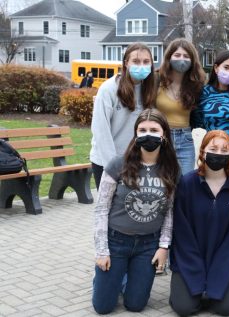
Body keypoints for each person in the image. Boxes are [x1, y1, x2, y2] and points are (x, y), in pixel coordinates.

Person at [92, 109, 180, 314]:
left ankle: (123, 277)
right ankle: (108, 277)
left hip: (148, 245)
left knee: (135, 305)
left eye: (153, 129)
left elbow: (169, 212)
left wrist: (163, 247)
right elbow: (101, 209)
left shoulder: (172, 169)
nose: (147, 134)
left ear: (164, 134)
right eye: (142, 130)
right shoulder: (117, 164)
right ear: (135, 134)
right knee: (102, 307)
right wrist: (102, 251)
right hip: (116, 242)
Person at [169, 130, 229, 316]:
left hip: (223, 260)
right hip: (189, 259)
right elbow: (182, 233)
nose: (218, 153)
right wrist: (197, 272)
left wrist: (218, 272)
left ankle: (209, 290)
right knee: (184, 308)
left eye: (224, 150)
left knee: (225, 308)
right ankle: (198, 291)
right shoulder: (187, 184)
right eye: (213, 148)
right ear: (203, 151)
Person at [90, 43, 156, 189]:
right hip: (108, 161)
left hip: (137, 160)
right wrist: (113, 166)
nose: (141, 66)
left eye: (146, 62)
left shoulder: (150, 89)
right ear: (126, 63)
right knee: (109, 208)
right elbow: (100, 130)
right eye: (136, 61)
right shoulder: (109, 89)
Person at [193, 50, 229, 178]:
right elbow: (197, 119)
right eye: (226, 67)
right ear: (216, 68)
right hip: (211, 147)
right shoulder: (203, 92)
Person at [156, 38, 206, 174]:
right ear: (169, 57)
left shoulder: (196, 85)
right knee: (162, 185)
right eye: (177, 55)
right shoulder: (156, 80)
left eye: (186, 56)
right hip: (161, 138)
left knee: (184, 184)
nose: (181, 59)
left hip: (185, 139)